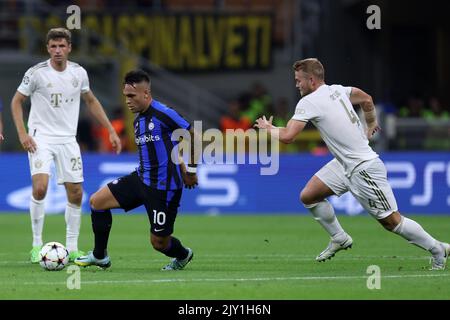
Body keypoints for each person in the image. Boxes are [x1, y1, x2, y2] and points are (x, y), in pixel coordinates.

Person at [254, 58, 449, 270]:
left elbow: (289, 136)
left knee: (392, 222)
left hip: (363, 168)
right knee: (309, 195)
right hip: (344, 164)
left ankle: (438, 249)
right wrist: (372, 122)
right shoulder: (339, 90)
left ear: (311, 80)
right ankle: (339, 237)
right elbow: (366, 99)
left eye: (298, 80)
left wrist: (268, 129)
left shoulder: (308, 102)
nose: (296, 84)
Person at [10, 28, 122, 263]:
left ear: (69, 47)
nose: (58, 51)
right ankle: (36, 245)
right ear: (47, 48)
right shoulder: (36, 73)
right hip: (41, 137)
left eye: (62, 46)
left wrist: (110, 129)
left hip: (68, 140)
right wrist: (23, 134)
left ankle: (71, 247)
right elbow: (16, 101)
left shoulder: (78, 73)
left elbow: (90, 100)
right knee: (40, 188)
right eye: (53, 46)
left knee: (76, 192)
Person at [75, 70, 198, 271]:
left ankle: (183, 254)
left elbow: (195, 136)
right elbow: (170, 147)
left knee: (159, 243)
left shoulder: (164, 113)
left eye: (132, 96)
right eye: (125, 96)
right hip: (141, 178)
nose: (128, 101)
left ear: (146, 94)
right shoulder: (138, 120)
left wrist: (190, 170)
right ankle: (100, 256)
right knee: (97, 202)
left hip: (164, 188)